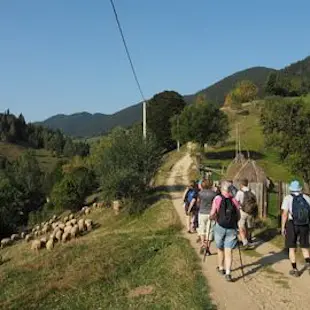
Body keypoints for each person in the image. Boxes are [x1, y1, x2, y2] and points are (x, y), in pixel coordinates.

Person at [210, 180, 240, 282]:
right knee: (229, 251)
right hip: (232, 228)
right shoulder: (234, 200)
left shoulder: (217, 199)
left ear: (222, 189)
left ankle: (220, 267)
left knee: (220, 248)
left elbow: (212, 213)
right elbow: (238, 215)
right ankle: (228, 272)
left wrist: (212, 217)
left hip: (220, 227)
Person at [281, 180, 310, 277]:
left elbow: (284, 214)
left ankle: (295, 269)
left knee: (292, 248)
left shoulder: (287, 198)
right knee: (305, 246)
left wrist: (282, 227)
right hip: (304, 224)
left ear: (291, 189)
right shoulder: (306, 198)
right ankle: (308, 264)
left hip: (292, 224)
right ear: (300, 189)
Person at [235, 179, 258, 248]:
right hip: (250, 211)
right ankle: (249, 238)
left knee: (241, 226)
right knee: (249, 226)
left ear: (241, 184)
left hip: (242, 211)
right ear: (247, 184)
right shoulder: (252, 191)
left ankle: (245, 242)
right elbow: (255, 201)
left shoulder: (239, 192)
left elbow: (236, 202)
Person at [197, 179, 217, 255]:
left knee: (202, 229)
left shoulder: (200, 193)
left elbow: (198, 203)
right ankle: (207, 248)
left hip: (202, 213)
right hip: (211, 213)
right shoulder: (214, 194)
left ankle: (203, 244)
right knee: (210, 231)